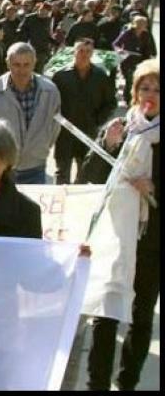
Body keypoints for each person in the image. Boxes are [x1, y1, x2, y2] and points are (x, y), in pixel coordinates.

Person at [82, 59, 159, 390]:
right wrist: (108, 145)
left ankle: (127, 381)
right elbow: (90, 178)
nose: (150, 95)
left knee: (141, 316)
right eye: (145, 88)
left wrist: (154, 190)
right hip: (116, 236)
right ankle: (96, 383)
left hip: (152, 240)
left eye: (157, 89)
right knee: (106, 310)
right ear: (134, 91)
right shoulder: (121, 128)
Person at [0, 42, 61, 184]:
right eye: (16, 64)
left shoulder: (50, 91)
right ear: (8, 63)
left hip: (36, 167)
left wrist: (41, 147)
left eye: (26, 65)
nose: (21, 70)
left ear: (34, 63)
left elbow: (54, 126)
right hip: (1, 167)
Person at [51, 38, 116, 184]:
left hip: (89, 132)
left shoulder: (101, 77)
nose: (84, 54)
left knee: (85, 173)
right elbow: (51, 103)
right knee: (62, 172)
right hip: (64, 134)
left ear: (92, 53)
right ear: (73, 52)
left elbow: (111, 103)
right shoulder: (61, 76)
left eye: (88, 51)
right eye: (80, 51)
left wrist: (98, 120)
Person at [113, 15, 157, 105]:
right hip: (128, 60)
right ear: (136, 24)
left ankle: (132, 98)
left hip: (141, 60)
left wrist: (151, 56)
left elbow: (149, 46)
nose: (143, 26)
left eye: (144, 24)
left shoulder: (146, 34)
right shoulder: (127, 33)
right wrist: (119, 50)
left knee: (137, 79)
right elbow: (116, 43)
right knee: (130, 80)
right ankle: (129, 99)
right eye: (141, 24)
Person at [17, 1, 56, 73]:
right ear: (39, 9)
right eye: (41, 10)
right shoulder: (29, 18)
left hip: (43, 50)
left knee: (38, 71)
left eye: (46, 12)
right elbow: (21, 31)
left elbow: (49, 34)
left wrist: (55, 42)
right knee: (28, 69)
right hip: (31, 48)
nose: (43, 13)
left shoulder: (49, 20)